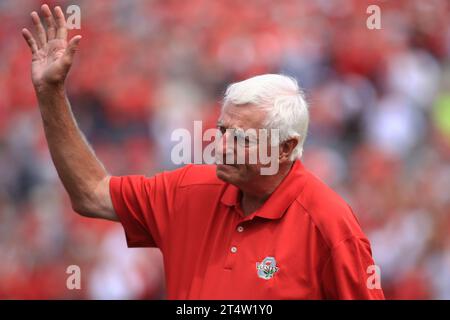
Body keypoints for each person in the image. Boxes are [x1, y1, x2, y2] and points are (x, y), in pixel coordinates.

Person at [22, 4, 385, 299]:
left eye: (241, 138)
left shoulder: (329, 224)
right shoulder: (189, 191)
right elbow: (90, 193)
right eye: (222, 131)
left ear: (286, 147)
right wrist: (51, 93)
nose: (221, 147)